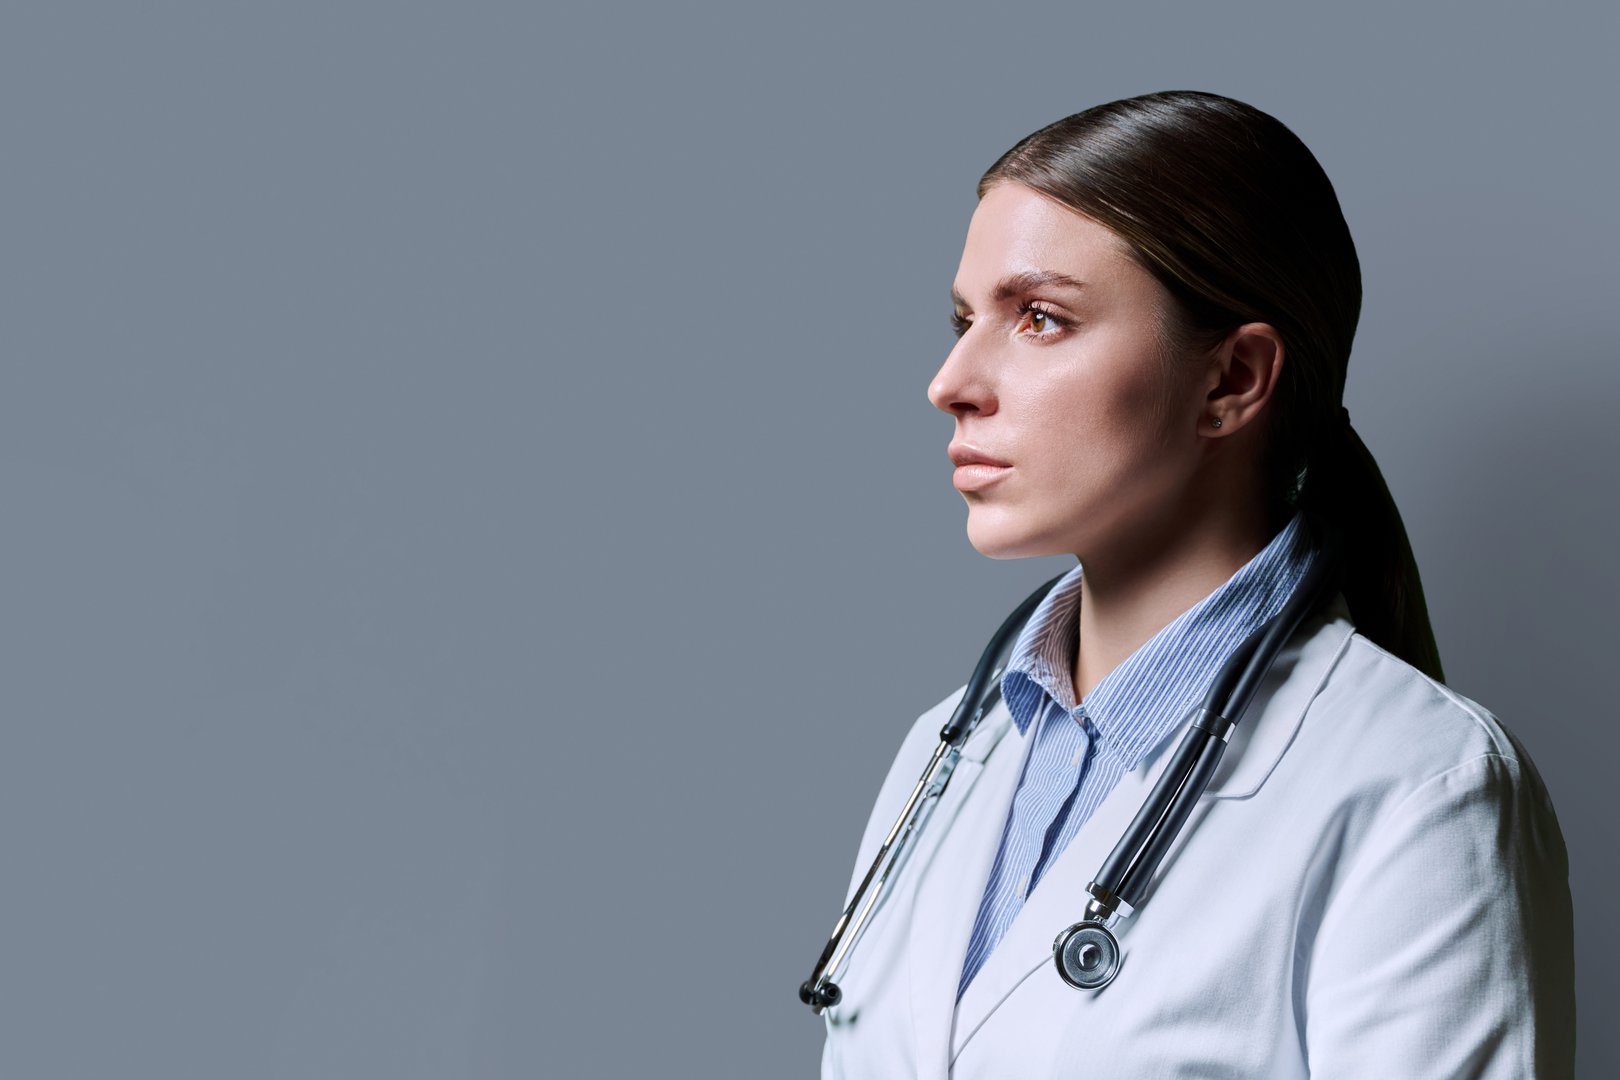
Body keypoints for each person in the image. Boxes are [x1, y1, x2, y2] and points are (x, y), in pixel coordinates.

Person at [814, 90, 1574, 1079]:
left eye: (1039, 318)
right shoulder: (944, 757)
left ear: (1232, 381)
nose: (951, 379)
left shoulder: (1421, 789)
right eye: (964, 318)